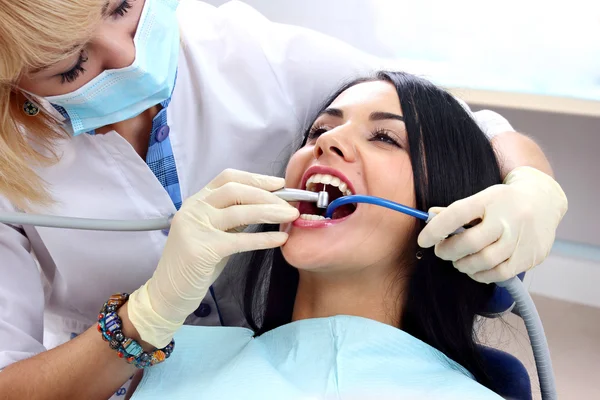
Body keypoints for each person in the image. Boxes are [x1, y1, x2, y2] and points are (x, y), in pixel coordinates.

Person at [0, 1, 567, 399]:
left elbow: (465, 129)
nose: (127, 56)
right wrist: (143, 319)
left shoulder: (251, 52)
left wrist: (533, 187)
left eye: (122, 7)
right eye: (73, 66)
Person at [126, 71, 515, 399]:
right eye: (319, 131)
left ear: (443, 214)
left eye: (384, 137)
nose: (327, 141)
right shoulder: (171, 361)